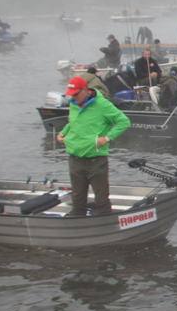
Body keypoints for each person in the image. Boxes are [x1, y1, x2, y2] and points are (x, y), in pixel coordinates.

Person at [56, 76, 131, 217]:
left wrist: (108, 137)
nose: (73, 97)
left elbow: (123, 121)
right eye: (71, 94)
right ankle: (77, 227)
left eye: (76, 94)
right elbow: (73, 122)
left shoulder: (102, 105)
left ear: (84, 89)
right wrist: (63, 133)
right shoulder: (73, 104)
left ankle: (106, 226)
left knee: (101, 199)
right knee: (77, 199)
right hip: (75, 159)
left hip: (96, 160)